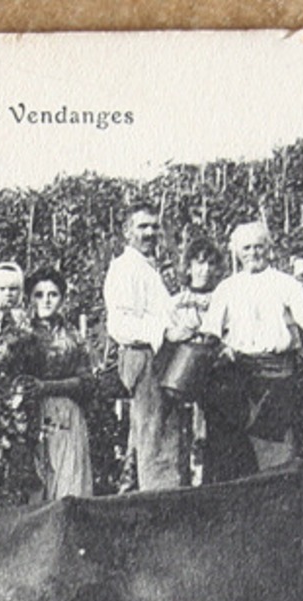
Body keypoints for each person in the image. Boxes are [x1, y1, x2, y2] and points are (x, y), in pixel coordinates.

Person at [201, 221, 303, 470]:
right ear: (237, 252)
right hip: (240, 377)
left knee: (279, 450)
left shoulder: (286, 283)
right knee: (241, 451)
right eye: (246, 248)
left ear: (268, 249)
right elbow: (210, 330)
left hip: (278, 373)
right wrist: (221, 349)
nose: (253, 253)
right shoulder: (227, 288)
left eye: (258, 247)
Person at [103, 205, 183, 491]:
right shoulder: (125, 268)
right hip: (143, 356)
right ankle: (161, 503)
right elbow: (120, 323)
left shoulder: (146, 268)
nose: (150, 233)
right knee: (156, 435)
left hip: (154, 355)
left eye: (154, 227)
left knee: (148, 434)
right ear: (127, 232)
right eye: (142, 227)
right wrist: (163, 330)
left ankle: (144, 495)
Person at [166, 237, 252, 484]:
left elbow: (236, 335)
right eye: (199, 263)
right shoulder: (175, 304)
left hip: (217, 385)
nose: (205, 270)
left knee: (219, 447)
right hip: (183, 384)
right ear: (189, 268)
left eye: (211, 264)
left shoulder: (226, 299)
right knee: (182, 443)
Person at [19, 268, 95, 500]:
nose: (46, 300)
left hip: (67, 416)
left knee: (69, 483)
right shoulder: (21, 334)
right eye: (39, 295)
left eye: (52, 294)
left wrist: (48, 387)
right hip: (31, 417)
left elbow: (87, 382)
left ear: (62, 299)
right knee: (38, 484)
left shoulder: (72, 337)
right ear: (30, 298)